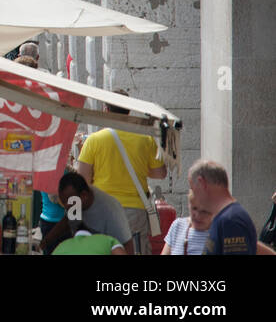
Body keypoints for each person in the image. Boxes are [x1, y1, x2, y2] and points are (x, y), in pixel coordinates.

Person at [75, 108, 167, 254]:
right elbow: (160, 173)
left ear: (105, 110)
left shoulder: (94, 140)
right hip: (135, 210)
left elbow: (81, 180)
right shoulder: (145, 139)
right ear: (128, 111)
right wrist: (139, 167)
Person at [42, 171, 133, 254]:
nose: (66, 206)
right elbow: (67, 221)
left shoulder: (111, 211)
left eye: (68, 202)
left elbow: (127, 245)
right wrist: (45, 241)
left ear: (84, 195)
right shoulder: (75, 202)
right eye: (63, 202)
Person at [188, 159, 258, 255]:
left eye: (193, 188)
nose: (194, 196)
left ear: (202, 183)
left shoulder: (230, 219)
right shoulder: (224, 218)